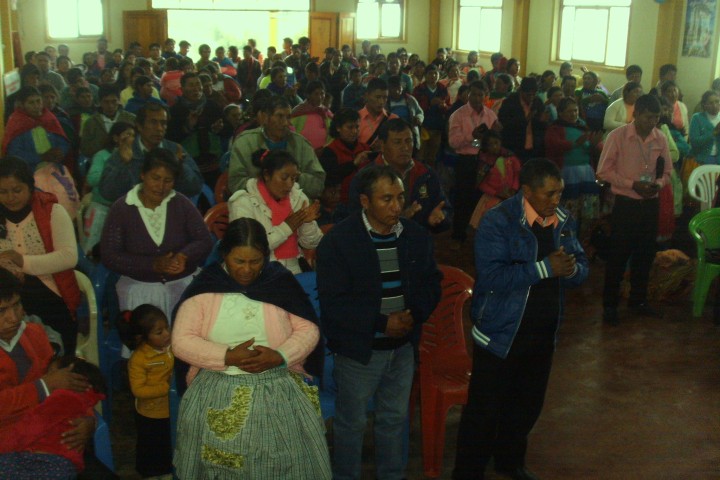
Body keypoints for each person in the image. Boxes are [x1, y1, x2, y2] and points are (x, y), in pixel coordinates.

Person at [453, 158, 589, 480]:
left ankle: (509, 462)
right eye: (549, 194)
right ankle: (468, 472)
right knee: (484, 411)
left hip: (542, 333)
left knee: (526, 406)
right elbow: (491, 277)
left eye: (559, 193)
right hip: (501, 333)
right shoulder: (498, 221)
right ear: (527, 191)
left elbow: (581, 265)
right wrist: (544, 268)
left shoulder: (563, 220)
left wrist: (572, 270)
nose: (556, 201)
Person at [172, 217, 330, 479]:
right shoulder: (205, 288)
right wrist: (227, 356)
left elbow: (308, 329)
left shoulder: (279, 282)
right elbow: (181, 340)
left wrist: (280, 356)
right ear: (224, 254)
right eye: (239, 261)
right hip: (218, 388)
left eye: (255, 261)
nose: (247, 269)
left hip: (277, 387)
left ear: (265, 257)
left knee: (282, 463)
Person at [317, 165, 441, 480]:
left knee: (394, 420)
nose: (397, 207)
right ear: (365, 201)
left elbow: (431, 284)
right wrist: (381, 323)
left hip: (402, 349)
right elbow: (334, 303)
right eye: (386, 199)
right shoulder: (340, 241)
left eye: (400, 197)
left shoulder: (414, 236)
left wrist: (414, 314)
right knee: (351, 424)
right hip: (360, 351)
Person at [100, 148, 213, 319]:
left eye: (168, 181)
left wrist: (184, 256)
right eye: (155, 178)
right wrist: (152, 264)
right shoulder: (122, 209)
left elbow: (204, 240)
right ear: (143, 175)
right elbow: (110, 255)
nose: (161, 187)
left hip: (183, 287)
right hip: (139, 291)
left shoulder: (181, 204)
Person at [596, 94, 672, 326]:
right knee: (618, 256)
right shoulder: (618, 136)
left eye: (656, 118)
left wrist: (657, 184)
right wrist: (632, 184)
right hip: (626, 204)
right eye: (648, 117)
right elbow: (603, 171)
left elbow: (667, 172)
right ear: (636, 114)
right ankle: (610, 306)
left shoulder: (660, 138)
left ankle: (638, 300)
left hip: (650, 204)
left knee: (645, 255)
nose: (653, 122)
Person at [0, 157, 80, 353]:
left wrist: (21, 261)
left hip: (50, 292)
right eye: (3, 192)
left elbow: (69, 256)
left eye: (17, 190)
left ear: (30, 187)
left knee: (53, 349)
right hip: (7, 299)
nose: (10, 197)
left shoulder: (52, 211)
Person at [0, 354, 105, 479]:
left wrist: (90, 421)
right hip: (51, 459)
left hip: (37, 457)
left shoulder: (60, 399)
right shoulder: (61, 397)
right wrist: (44, 385)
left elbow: (30, 428)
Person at [228, 150, 323, 274]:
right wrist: (287, 227)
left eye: (294, 178)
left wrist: (307, 223)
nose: (289, 185)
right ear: (266, 175)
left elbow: (311, 244)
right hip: (259, 271)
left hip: (295, 267)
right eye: (284, 178)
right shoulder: (242, 203)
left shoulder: (298, 198)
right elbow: (248, 249)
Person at [351, 118, 451, 233]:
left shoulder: (426, 173)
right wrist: (400, 219)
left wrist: (440, 217)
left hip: (418, 240)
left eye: (409, 141)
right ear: (382, 145)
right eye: (397, 142)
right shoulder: (365, 178)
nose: (405, 147)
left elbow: (444, 208)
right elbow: (357, 222)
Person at [98, 102, 204, 203]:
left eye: (163, 123)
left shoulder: (174, 149)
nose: (159, 128)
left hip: (169, 210)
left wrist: (180, 167)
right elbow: (107, 193)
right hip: (132, 211)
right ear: (139, 126)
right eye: (153, 122)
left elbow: (196, 187)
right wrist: (123, 164)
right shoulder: (126, 151)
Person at [228, 96, 326, 199]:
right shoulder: (245, 143)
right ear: (265, 117)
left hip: (295, 206)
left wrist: (294, 177)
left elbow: (318, 184)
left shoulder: (301, 144)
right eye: (280, 116)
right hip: (255, 205)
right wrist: (268, 185)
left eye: (288, 117)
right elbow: (235, 183)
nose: (285, 123)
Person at [118, 304, 174, 479]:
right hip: (150, 413)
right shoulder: (139, 359)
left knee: (167, 443)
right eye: (159, 332)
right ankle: (149, 473)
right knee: (150, 447)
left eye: (167, 328)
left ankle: (167, 470)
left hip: (170, 408)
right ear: (143, 337)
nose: (166, 334)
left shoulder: (171, 347)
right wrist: (167, 387)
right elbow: (138, 390)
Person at [448, 80, 500, 247]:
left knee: (480, 200)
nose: (477, 98)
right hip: (466, 161)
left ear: (485, 96)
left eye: (480, 95)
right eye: (474, 94)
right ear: (468, 94)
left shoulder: (490, 115)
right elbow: (453, 142)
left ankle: (478, 235)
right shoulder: (458, 115)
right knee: (463, 199)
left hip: (486, 162)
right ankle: (458, 235)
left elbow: (495, 139)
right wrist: (472, 136)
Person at [545, 97, 602, 237]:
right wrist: (575, 144)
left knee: (587, 209)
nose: (573, 114)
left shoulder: (582, 127)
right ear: (560, 113)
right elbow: (553, 145)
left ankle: (585, 239)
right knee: (569, 209)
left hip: (586, 173)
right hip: (567, 174)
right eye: (569, 111)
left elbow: (592, 148)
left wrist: (595, 145)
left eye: (575, 110)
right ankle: (566, 238)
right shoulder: (555, 128)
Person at [81, 121, 135, 254]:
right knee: (91, 250)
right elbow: (92, 179)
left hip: (122, 211)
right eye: (127, 134)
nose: (131, 138)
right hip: (101, 208)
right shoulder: (102, 155)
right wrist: (112, 171)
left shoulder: (135, 157)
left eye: (133, 135)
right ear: (116, 138)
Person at [167, 72, 224, 187]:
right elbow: (170, 138)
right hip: (188, 166)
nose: (196, 88)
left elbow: (227, 130)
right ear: (182, 89)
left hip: (213, 164)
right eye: (191, 85)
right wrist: (187, 127)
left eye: (198, 84)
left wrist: (218, 129)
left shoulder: (212, 106)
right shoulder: (175, 110)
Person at [2, 86, 70, 172]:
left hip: (54, 168)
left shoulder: (49, 118)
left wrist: (60, 151)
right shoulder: (17, 122)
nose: (37, 106)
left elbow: (63, 142)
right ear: (22, 105)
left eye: (38, 101)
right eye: (31, 103)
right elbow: (14, 153)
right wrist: (41, 157)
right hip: (29, 172)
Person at [468, 130, 522, 229]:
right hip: (491, 200)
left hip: (511, 197)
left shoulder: (510, 157)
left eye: (496, 143)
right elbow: (481, 183)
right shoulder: (484, 161)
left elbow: (517, 174)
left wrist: (513, 189)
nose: (494, 147)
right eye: (490, 145)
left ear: (500, 142)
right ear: (485, 147)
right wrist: (496, 193)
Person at [319, 108, 372, 204]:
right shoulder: (329, 151)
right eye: (350, 127)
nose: (355, 131)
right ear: (338, 128)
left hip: (365, 201)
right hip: (340, 203)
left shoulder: (365, 148)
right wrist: (354, 163)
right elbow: (330, 178)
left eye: (357, 127)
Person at [498, 76, 549, 164]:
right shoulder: (510, 102)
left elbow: (541, 128)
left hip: (534, 148)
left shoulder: (537, 102)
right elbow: (505, 124)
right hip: (515, 147)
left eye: (534, 94)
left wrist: (543, 121)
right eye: (528, 95)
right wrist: (525, 120)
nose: (531, 97)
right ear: (521, 91)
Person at [80, 84, 136, 159]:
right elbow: (85, 149)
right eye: (106, 102)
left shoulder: (131, 119)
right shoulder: (91, 123)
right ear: (100, 102)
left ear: (119, 101)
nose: (110, 106)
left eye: (114, 101)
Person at [413, 64, 449, 166]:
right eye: (430, 73)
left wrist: (444, 106)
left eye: (435, 73)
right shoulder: (419, 89)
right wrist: (429, 104)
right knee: (420, 154)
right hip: (423, 127)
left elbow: (448, 106)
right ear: (425, 75)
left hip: (437, 127)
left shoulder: (442, 88)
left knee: (433, 155)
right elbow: (414, 108)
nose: (433, 76)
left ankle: (430, 173)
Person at [290, 80, 333, 151]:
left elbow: (332, 134)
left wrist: (324, 148)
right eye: (316, 94)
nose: (320, 97)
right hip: (302, 153)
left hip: (323, 153)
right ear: (308, 95)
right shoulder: (298, 111)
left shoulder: (326, 112)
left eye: (322, 93)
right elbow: (290, 134)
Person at [358, 78, 398, 149]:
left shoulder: (393, 119)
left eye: (385, 97)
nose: (381, 102)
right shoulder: (356, 118)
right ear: (367, 96)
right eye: (378, 97)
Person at [689, 90, 720, 166]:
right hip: (702, 159)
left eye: (717, 101)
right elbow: (694, 142)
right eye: (711, 103)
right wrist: (713, 133)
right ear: (704, 105)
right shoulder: (697, 118)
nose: (715, 105)